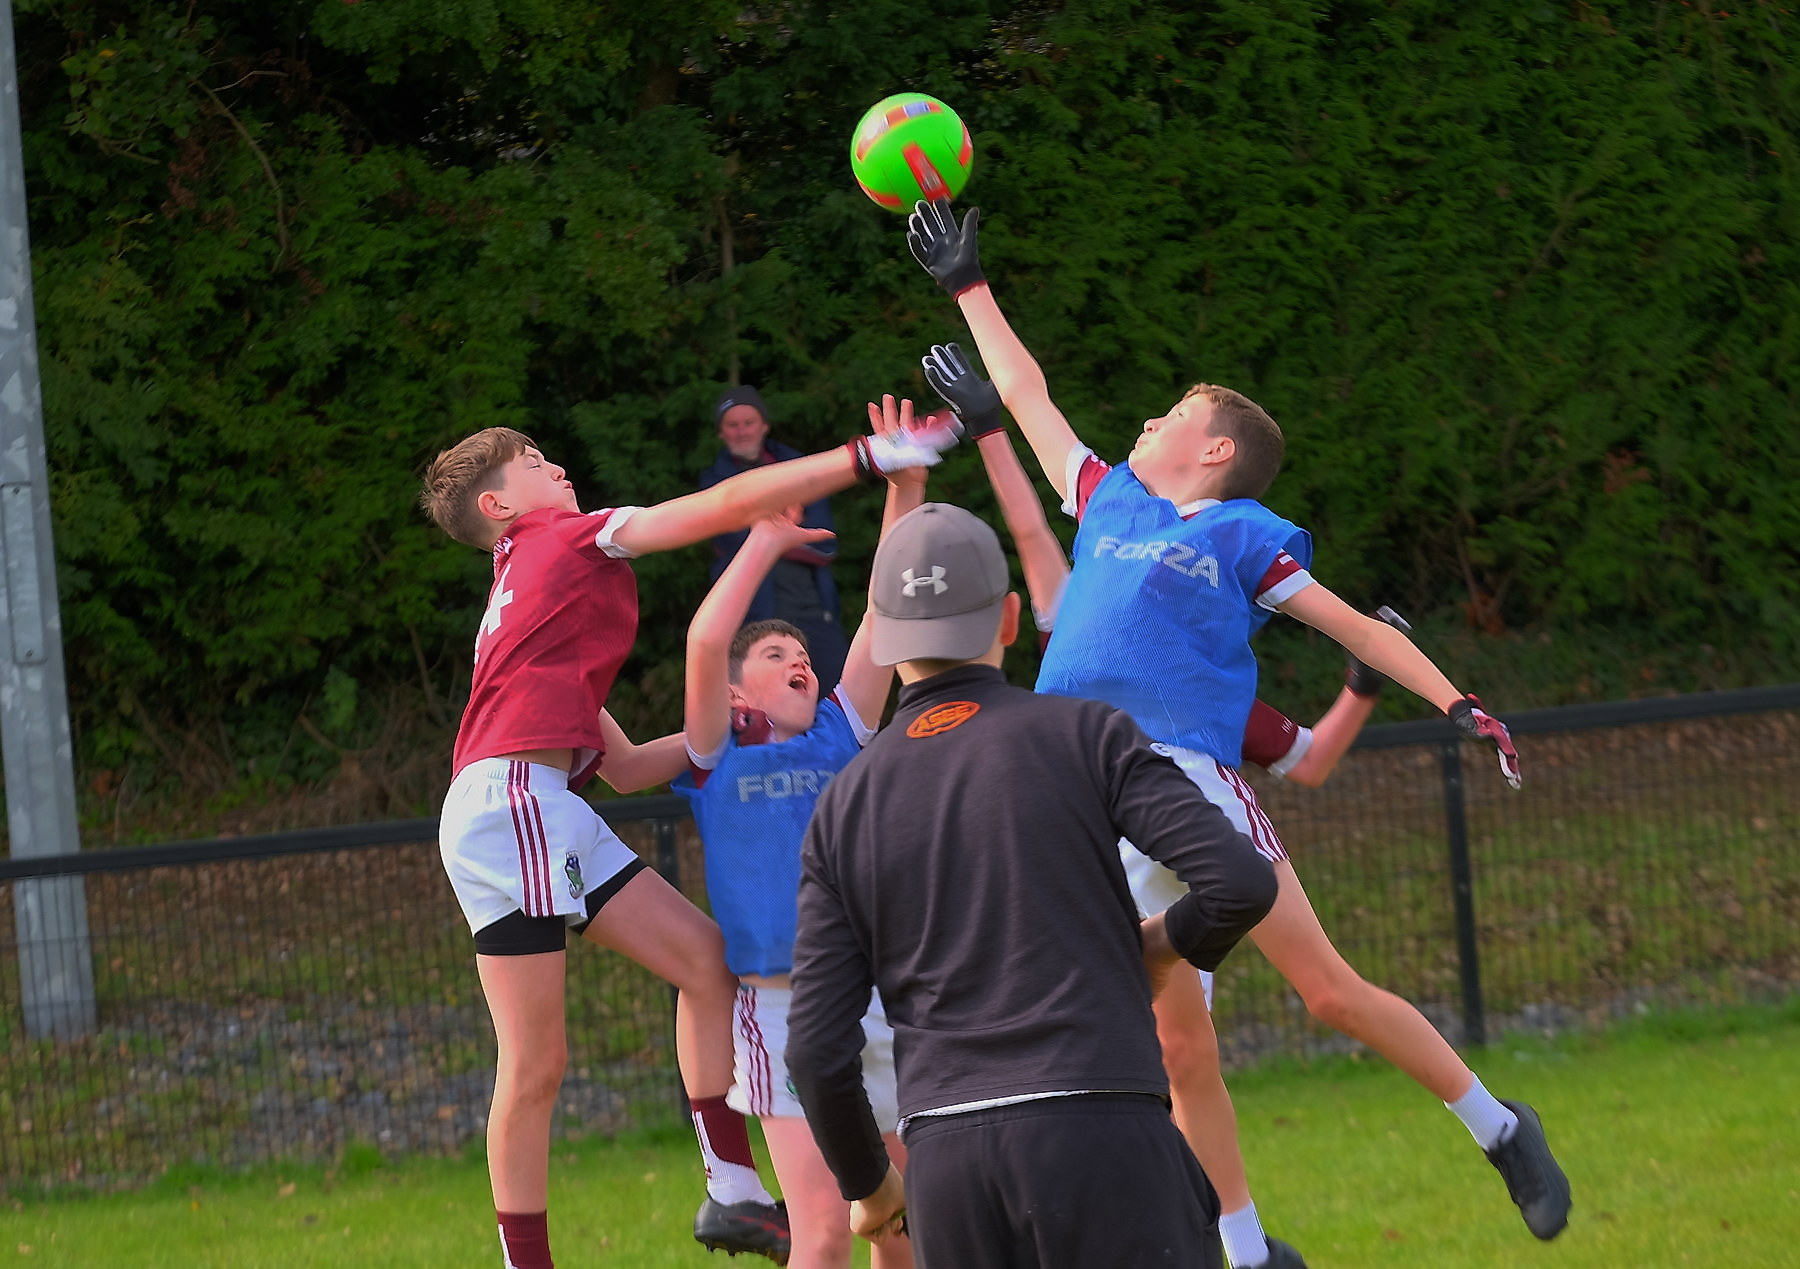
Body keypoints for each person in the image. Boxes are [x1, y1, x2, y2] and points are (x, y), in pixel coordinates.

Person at [906, 199, 1572, 1267]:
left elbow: (1354, 626)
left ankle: (1500, 1127)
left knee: (1327, 993)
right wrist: (968, 284)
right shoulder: (1109, 500)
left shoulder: (1241, 533)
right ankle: (1250, 1253)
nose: (1146, 420)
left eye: (1170, 412)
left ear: (1212, 449)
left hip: (1186, 788)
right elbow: (1025, 397)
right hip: (1090, 791)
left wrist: (1457, 701)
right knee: (1178, 1047)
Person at [418, 414, 960, 1269]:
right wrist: (864, 460)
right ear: (497, 505)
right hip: (514, 800)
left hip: (537, 801)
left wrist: (905, 488)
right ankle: (555, 1252)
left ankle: (731, 1185)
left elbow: (629, 768)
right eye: (533, 462)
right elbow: (713, 508)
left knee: (703, 968)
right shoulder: (560, 543)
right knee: (535, 1062)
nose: (556, 465)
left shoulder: (523, 588)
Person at [785, 500, 1281, 1269]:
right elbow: (1240, 880)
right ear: (1011, 618)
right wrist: (1159, 946)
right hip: (1106, 1130)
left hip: (949, 1167)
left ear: (879, 635)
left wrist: (872, 1183)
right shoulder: (1086, 733)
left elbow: (816, 1048)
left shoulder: (844, 803)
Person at [675, 396, 932, 1269]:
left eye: (802, 654)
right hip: (783, 1007)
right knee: (821, 1229)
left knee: (905, 1215)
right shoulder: (716, 753)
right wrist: (763, 539)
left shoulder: (837, 732)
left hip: (880, 991)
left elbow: (883, 614)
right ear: (740, 693)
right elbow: (707, 638)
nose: (798, 660)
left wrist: (908, 483)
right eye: (774, 657)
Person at [702, 385, 851, 690]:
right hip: (753, 618)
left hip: (815, 611)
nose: (741, 431)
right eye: (732, 424)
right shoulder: (714, 483)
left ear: (764, 426)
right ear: (721, 433)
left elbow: (825, 545)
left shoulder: (800, 470)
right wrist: (788, 526)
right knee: (765, 709)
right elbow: (730, 541)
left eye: (749, 422)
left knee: (839, 701)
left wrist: (763, 527)